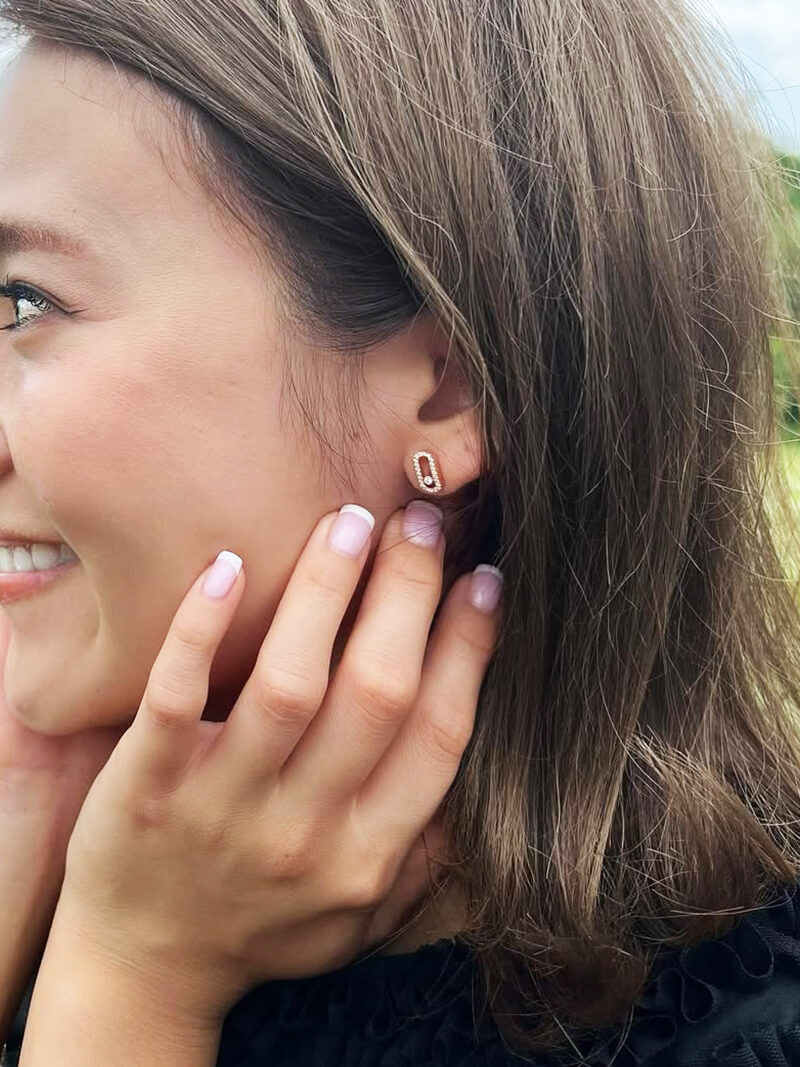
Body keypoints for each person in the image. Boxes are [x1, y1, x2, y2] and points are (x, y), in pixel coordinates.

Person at [1, 0, 800, 1062]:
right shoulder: (64, 839)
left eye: (26, 301)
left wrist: (132, 978)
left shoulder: (736, 1028)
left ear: (448, 385)